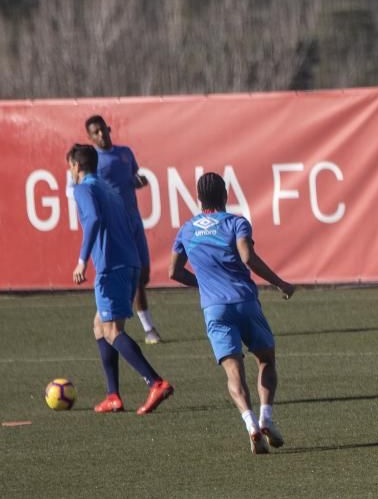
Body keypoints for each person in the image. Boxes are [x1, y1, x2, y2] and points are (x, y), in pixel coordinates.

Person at [169, 172, 296, 455]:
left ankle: (250, 425)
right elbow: (248, 258)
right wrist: (280, 283)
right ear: (225, 195)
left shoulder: (187, 229)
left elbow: (173, 272)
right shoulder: (236, 222)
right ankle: (266, 418)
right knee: (266, 359)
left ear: (199, 199)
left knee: (233, 369)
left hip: (214, 309)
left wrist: (202, 284)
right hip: (244, 302)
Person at [67, 143, 174, 415]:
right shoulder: (109, 189)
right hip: (129, 263)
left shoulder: (84, 189)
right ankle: (113, 395)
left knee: (113, 330)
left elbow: (92, 221)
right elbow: (127, 222)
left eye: (70, 166)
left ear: (77, 166)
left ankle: (156, 382)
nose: (70, 171)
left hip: (111, 267)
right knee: (99, 325)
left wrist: (82, 260)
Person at [85, 115, 162, 344]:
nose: (101, 135)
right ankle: (147, 329)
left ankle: (122, 320)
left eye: (103, 130)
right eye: (95, 133)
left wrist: (139, 180)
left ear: (109, 129)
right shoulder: (94, 162)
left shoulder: (125, 152)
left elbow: (133, 177)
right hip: (117, 226)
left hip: (134, 220)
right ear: (90, 137)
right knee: (134, 275)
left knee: (144, 274)